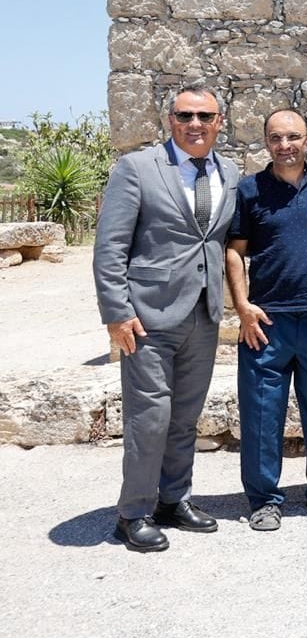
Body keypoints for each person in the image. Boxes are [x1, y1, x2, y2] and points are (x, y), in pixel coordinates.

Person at [93, 84, 239, 552]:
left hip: (204, 313)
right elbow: (110, 246)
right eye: (185, 115)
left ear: (219, 123)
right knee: (149, 417)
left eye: (204, 116)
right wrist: (116, 313)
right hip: (147, 316)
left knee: (185, 416)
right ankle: (133, 511)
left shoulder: (229, 172)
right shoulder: (137, 168)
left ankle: (174, 499)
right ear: (169, 120)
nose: (195, 124)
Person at [226, 109, 307, 531]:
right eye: (276, 138)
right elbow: (234, 251)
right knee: (263, 414)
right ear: (266, 143)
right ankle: (264, 499)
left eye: (293, 137)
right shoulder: (250, 190)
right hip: (267, 322)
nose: (285, 145)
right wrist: (242, 306)